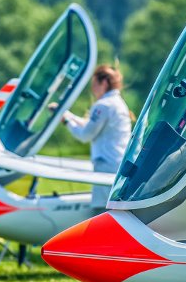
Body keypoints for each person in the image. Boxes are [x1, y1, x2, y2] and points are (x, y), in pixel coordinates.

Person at [49, 65, 132, 212]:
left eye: (94, 85)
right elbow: (89, 125)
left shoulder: (103, 106)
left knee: (101, 211)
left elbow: (85, 135)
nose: (92, 89)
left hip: (106, 164)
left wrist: (66, 121)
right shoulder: (118, 103)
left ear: (104, 83)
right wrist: (66, 114)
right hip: (117, 164)